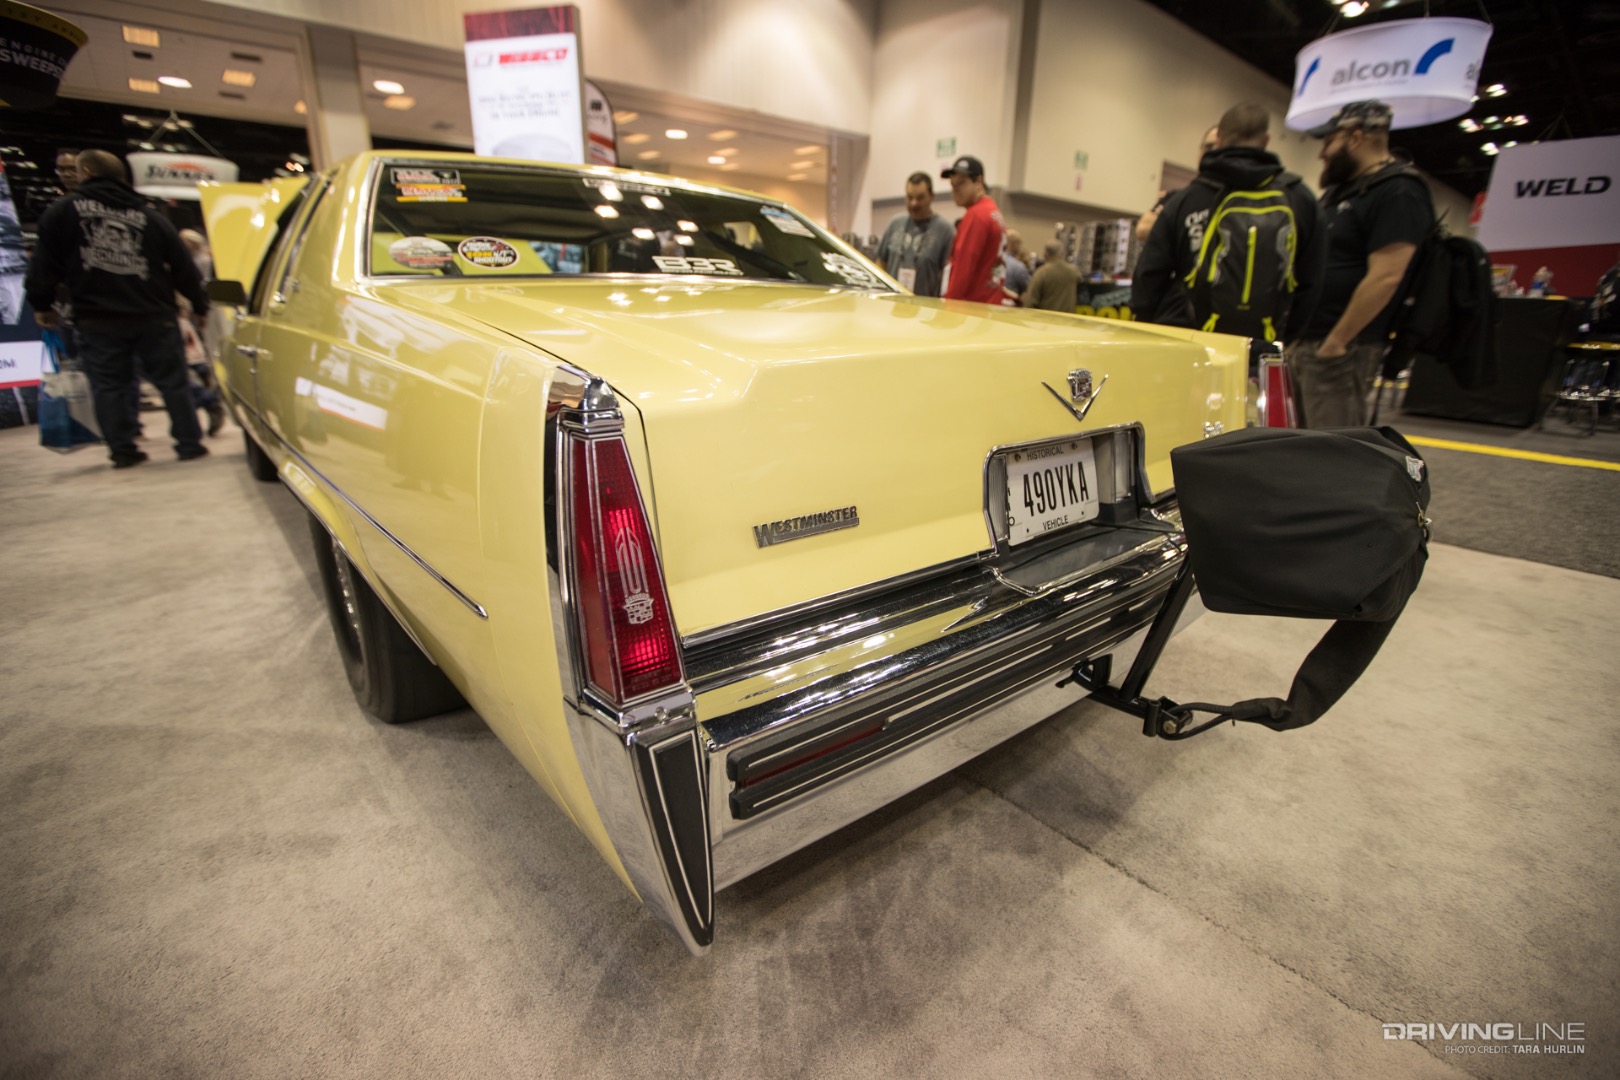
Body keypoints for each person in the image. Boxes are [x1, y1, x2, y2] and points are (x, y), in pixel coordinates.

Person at [24, 149, 211, 468]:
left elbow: (45, 264)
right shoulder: (150, 216)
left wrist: (41, 303)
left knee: (110, 386)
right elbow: (182, 267)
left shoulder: (63, 212)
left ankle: (123, 450)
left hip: (98, 317)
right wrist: (199, 305)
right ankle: (189, 443)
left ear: (85, 172)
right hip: (153, 312)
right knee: (172, 381)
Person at [1289, 100, 1433, 428]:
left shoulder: (1398, 190)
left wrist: (1336, 342)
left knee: (1332, 451)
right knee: (1296, 445)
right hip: (1309, 341)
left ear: (1356, 137)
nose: (1322, 153)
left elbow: (1387, 275)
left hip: (1341, 347)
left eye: (1329, 142)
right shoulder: (1342, 193)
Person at [1131, 102, 1322, 342]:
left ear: (1219, 139)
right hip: (1259, 340)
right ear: (1265, 141)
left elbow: (1149, 275)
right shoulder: (1298, 198)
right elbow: (1312, 282)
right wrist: (1285, 337)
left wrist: (1146, 324)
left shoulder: (1184, 200)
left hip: (1185, 335)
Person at [873, 172, 955, 297]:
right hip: (893, 306)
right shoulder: (895, 224)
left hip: (926, 310)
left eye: (920, 198)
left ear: (931, 196)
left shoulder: (945, 230)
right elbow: (881, 261)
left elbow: (948, 276)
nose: (914, 204)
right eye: (909, 197)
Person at [1135, 125, 1219, 245]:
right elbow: (1142, 230)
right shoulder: (1175, 198)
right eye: (1208, 147)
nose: (1213, 153)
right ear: (1200, 151)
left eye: (1219, 147)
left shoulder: (1233, 201)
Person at [940, 155, 1006, 305]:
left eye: (961, 183)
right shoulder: (994, 212)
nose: (955, 190)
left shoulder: (976, 215)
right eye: (953, 185)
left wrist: (949, 310)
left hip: (972, 309)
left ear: (979, 182)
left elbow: (962, 271)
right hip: (990, 303)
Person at [1023, 242, 1081, 312]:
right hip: (1067, 319)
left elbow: (1030, 301)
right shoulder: (1073, 271)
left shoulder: (1041, 273)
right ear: (1063, 254)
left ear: (1045, 255)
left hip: (1046, 319)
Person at [1001, 229, 1031, 305]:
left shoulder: (993, 260)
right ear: (1015, 245)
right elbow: (1028, 289)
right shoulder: (1019, 267)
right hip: (1010, 307)